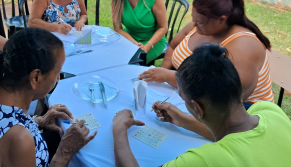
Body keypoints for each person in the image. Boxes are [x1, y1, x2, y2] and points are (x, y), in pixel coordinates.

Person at [113, 45, 291, 167]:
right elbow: (237, 132)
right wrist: (184, 121)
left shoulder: (205, 160)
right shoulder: (271, 111)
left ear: (197, 107)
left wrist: (119, 129)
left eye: (182, 97)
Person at [0, 28, 97, 167]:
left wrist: (38, 121)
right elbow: (11, 136)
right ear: (35, 77)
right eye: (57, 73)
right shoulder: (19, 137)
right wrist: (65, 151)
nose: (58, 79)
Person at [138, 0, 273, 109]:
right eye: (194, 20)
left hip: (245, 110)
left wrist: (170, 77)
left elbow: (224, 97)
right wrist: (163, 70)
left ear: (222, 19)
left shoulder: (244, 46)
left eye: (200, 23)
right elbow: (173, 46)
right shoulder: (198, 26)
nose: (194, 26)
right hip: (190, 95)